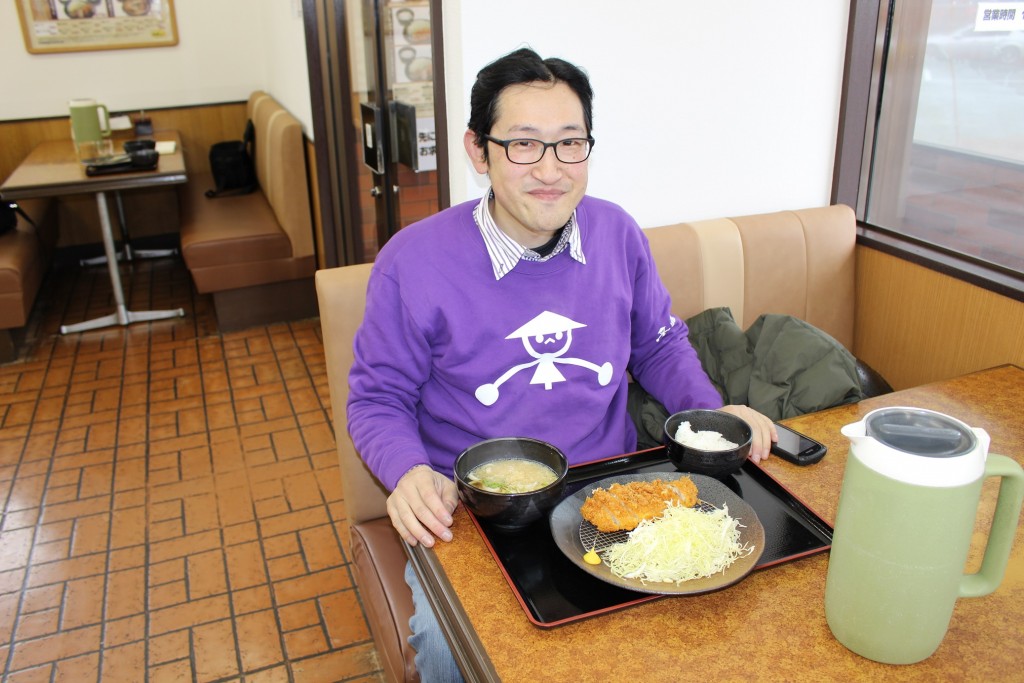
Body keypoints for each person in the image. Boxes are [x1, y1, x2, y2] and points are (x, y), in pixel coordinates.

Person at [347, 47, 777, 681]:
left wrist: (709, 416)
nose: (550, 170)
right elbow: (376, 398)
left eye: (569, 144)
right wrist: (407, 471)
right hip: (473, 508)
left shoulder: (617, 233)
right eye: (523, 145)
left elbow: (657, 344)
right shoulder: (413, 261)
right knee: (450, 655)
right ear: (478, 151)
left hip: (610, 486)